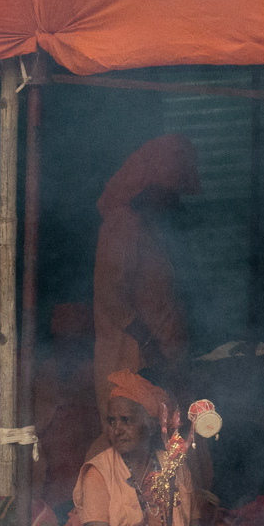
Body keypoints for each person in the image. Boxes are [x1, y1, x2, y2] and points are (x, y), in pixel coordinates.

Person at [74, 371, 264, 526]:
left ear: (152, 426)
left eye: (126, 420)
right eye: (112, 421)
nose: (117, 430)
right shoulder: (98, 472)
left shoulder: (175, 466)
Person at [93, 135, 198, 415]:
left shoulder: (151, 230)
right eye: (169, 191)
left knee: (176, 449)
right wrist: (150, 345)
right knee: (139, 447)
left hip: (161, 360)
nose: (175, 200)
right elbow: (110, 293)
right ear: (147, 188)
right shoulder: (123, 223)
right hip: (136, 361)